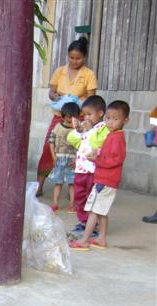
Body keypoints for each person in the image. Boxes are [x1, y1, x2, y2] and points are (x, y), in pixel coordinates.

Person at [37, 37, 97, 197]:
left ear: (84, 57)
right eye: (71, 57)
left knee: (78, 152)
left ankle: (77, 190)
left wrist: (77, 102)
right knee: (49, 148)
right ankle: (39, 185)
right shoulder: (60, 71)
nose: (74, 61)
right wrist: (56, 96)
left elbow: (91, 100)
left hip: (79, 119)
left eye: (78, 58)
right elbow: (51, 92)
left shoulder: (89, 74)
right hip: (60, 117)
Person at [70, 101, 130, 250]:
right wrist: (98, 154)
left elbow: (116, 159)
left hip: (105, 180)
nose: (110, 122)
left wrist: (98, 159)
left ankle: (84, 240)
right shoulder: (113, 135)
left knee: (93, 211)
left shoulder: (117, 137)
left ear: (125, 120)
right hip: (106, 179)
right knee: (101, 211)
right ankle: (101, 239)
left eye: (115, 119)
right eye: (108, 118)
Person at [67, 95, 109, 233]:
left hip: (94, 171)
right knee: (79, 196)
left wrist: (90, 130)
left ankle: (93, 225)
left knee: (91, 198)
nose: (86, 118)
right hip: (81, 169)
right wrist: (78, 131)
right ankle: (84, 221)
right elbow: (73, 140)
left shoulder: (104, 128)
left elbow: (97, 143)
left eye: (89, 114)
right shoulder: (86, 128)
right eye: (84, 114)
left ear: (100, 113)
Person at [47, 102, 80, 212]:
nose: (70, 120)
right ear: (63, 116)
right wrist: (53, 157)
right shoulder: (57, 127)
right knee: (58, 182)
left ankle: (72, 204)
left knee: (72, 183)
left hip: (73, 160)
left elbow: (82, 144)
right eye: (68, 117)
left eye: (73, 117)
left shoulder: (79, 129)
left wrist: (77, 159)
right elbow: (51, 142)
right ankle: (55, 203)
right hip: (59, 158)